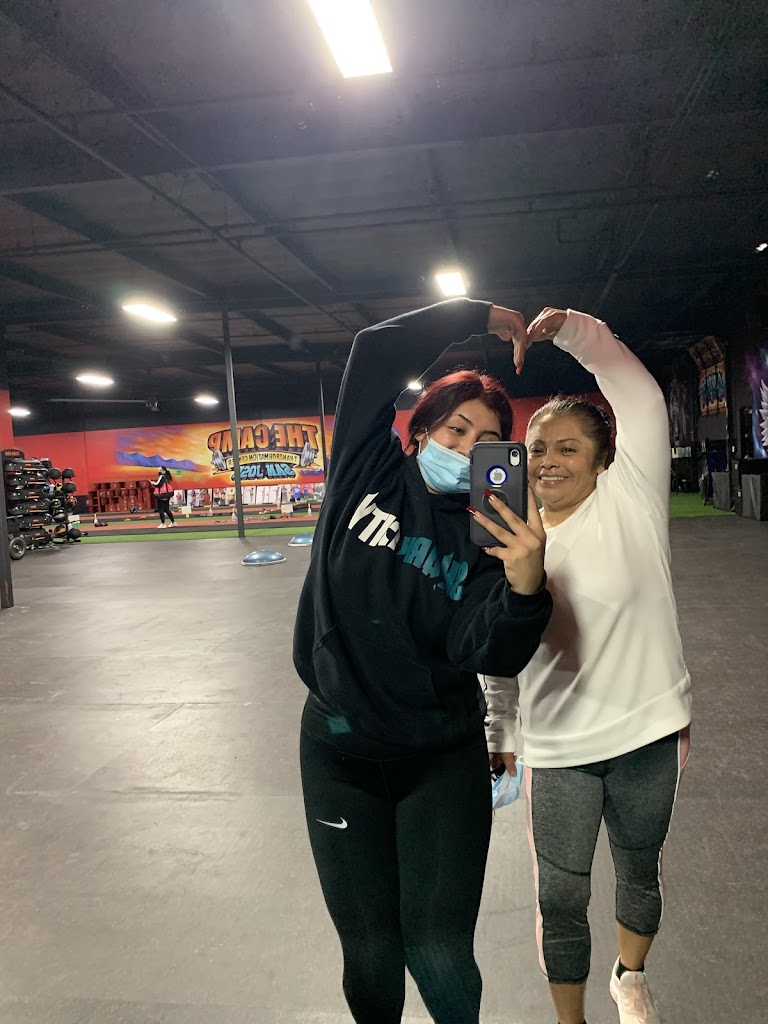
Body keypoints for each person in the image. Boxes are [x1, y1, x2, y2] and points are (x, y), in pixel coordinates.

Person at [293, 298, 553, 1024]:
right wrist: (476, 314)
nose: (467, 446)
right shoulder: (366, 468)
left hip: (440, 759)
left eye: (488, 440)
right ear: (420, 431)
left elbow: (486, 649)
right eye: (455, 428)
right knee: (371, 956)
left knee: (438, 953)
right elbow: (375, 351)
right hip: (338, 751)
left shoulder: (493, 531)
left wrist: (525, 585)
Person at [483, 307, 692, 1024]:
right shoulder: (510, 536)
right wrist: (499, 738)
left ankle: (630, 978)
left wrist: (573, 331)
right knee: (561, 895)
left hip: (649, 732)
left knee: (639, 872)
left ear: (604, 459)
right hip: (560, 746)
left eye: (568, 448)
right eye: (537, 447)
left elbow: (639, 394)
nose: (548, 459)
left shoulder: (632, 499)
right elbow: (497, 654)